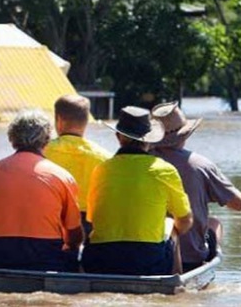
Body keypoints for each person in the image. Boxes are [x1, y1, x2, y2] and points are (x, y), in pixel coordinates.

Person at [82, 106, 193, 275]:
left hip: (102, 261)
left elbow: (91, 218)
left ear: (118, 137)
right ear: (149, 140)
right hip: (148, 262)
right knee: (172, 226)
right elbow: (185, 221)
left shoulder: (101, 169)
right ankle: (175, 287)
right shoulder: (165, 170)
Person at [0, 109, 84, 272]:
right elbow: (74, 234)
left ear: (12, 138)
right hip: (45, 259)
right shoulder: (62, 176)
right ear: (46, 140)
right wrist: (71, 246)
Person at [151, 101, 241, 272]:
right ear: (185, 134)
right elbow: (239, 204)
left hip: (148, 253)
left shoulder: (141, 162)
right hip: (189, 260)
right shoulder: (200, 165)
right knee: (214, 222)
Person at [44, 94, 110, 236]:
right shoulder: (104, 157)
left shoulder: (42, 152)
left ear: (59, 120)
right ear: (86, 122)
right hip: (89, 228)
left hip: (52, 223)